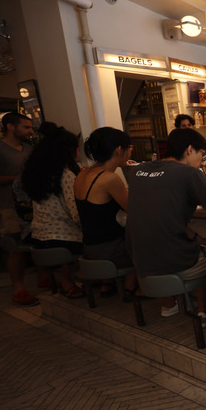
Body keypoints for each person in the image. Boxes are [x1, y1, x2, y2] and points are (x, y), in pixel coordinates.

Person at [127, 128, 206, 331]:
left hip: (139, 261)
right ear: (190, 149)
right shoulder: (190, 174)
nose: (202, 161)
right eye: (202, 155)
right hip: (175, 261)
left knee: (188, 240)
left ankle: (168, 304)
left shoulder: (137, 171)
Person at [21, 125, 84, 299]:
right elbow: (77, 214)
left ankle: (69, 280)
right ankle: (83, 280)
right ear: (69, 151)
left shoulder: (38, 175)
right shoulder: (66, 176)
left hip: (39, 237)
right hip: (64, 240)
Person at [74, 127, 136, 297]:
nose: (130, 152)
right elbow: (133, 209)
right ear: (119, 150)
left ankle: (109, 284)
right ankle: (132, 289)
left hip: (89, 248)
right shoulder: (109, 178)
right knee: (149, 241)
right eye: (128, 148)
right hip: (109, 251)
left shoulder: (82, 175)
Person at [0, 112, 36, 305]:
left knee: (35, 241)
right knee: (14, 248)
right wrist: (19, 179)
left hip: (31, 204)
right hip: (7, 206)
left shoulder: (28, 148)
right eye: (26, 127)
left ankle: (44, 276)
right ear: (11, 127)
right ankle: (18, 288)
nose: (30, 131)